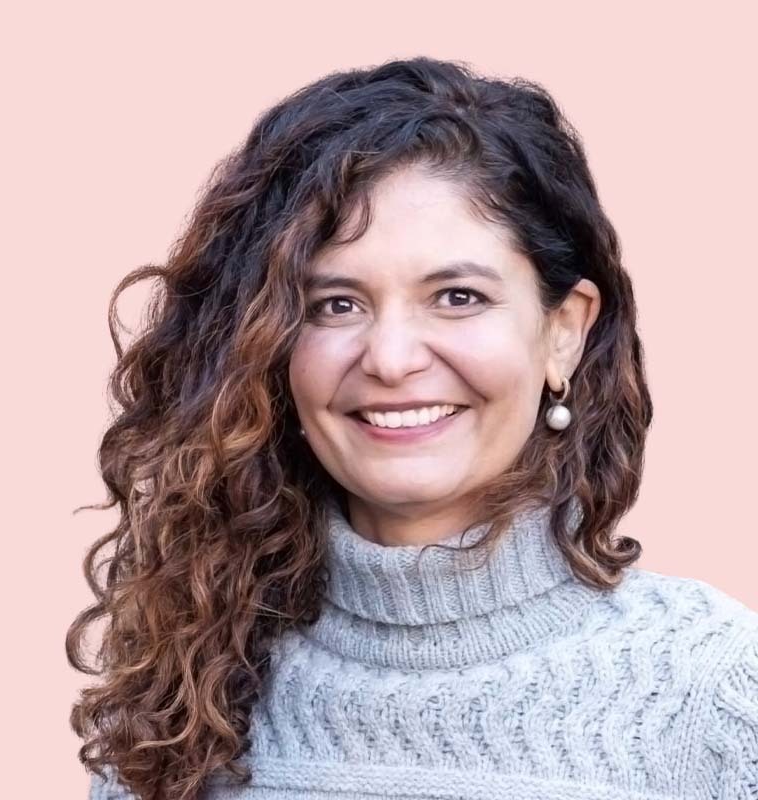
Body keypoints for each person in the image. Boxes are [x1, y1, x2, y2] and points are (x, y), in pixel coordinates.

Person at [67, 56, 758, 800]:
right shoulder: (177, 700)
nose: (391, 360)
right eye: (335, 305)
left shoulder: (716, 692)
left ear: (564, 331)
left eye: (457, 296)